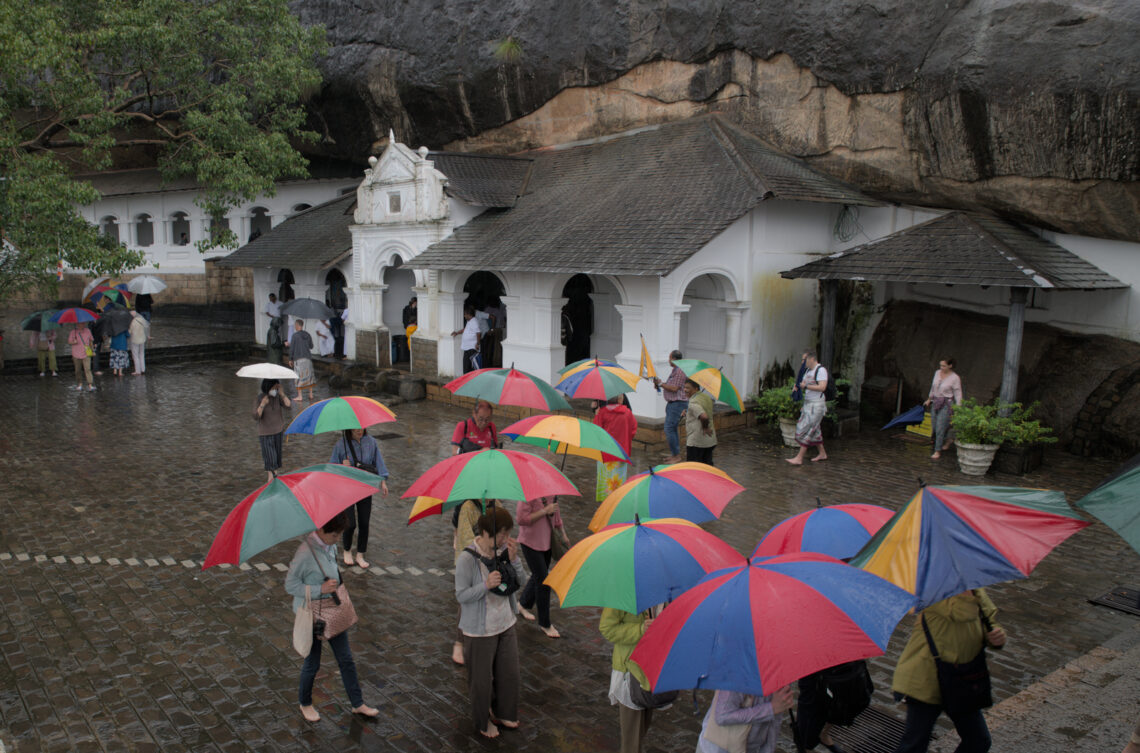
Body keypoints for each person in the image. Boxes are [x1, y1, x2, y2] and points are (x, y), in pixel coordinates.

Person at [284, 512, 380, 723]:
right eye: (335, 535)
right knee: (313, 663)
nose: (338, 539)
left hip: (332, 610)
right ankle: (305, 703)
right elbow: (290, 585)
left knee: (346, 659)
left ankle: (358, 703)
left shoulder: (329, 545)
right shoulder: (304, 554)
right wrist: (320, 588)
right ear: (321, 530)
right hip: (312, 614)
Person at [891, 589, 1006, 753]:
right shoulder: (932, 593)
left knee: (978, 740)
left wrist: (996, 636)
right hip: (924, 681)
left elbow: (989, 620)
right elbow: (962, 612)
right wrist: (971, 595)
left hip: (961, 681)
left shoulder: (975, 590)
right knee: (914, 744)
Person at [455, 506, 525, 739]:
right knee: (481, 681)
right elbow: (461, 595)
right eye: (501, 534)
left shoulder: (503, 550)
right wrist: (485, 586)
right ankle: (483, 720)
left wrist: (514, 560)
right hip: (479, 630)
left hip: (505, 622)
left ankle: (505, 712)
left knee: (509, 674)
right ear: (485, 532)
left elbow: (520, 581)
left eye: (507, 533)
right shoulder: (467, 558)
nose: (505, 539)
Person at [330, 428, 389, 569]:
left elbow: (378, 463)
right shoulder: (340, 445)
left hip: (365, 487)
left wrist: (383, 481)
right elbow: (331, 468)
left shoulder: (371, 442)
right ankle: (347, 550)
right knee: (349, 523)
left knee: (364, 522)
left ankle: (360, 553)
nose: (359, 430)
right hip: (347, 489)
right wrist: (341, 466)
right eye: (356, 428)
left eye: (362, 427)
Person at [600, 607, 655, 753]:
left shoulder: (665, 594)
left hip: (652, 670)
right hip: (630, 671)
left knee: (643, 727)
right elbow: (608, 628)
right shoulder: (622, 595)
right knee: (632, 739)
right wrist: (641, 629)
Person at [515, 497, 570, 638]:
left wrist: (563, 534)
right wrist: (545, 510)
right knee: (544, 581)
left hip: (547, 541)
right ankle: (545, 623)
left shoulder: (552, 489)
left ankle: (522, 604)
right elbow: (521, 519)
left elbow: (556, 516)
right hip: (530, 543)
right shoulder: (528, 495)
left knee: (539, 575)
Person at [697, 686, 795, 753]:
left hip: (749, 747)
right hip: (718, 748)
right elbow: (722, 716)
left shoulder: (781, 674)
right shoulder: (737, 670)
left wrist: (768, 750)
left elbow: (776, 719)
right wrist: (770, 709)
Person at [593, 395, 638, 502]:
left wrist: (596, 415)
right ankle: (616, 500)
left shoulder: (602, 412)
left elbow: (596, 430)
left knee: (605, 476)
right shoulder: (627, 413)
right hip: (621, 452)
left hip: (605, 452)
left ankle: (605, 499)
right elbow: (633, 430)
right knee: (619, 476)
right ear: (619, 400)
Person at [787, 350, 828, 465]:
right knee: (815, 429)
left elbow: (822, 387)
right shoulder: (807, 371)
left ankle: (799, 458)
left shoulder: (821, 371)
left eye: (804, 359)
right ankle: (822, 453)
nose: (802, 362)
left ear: (811, 359)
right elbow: (803, 386)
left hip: (817, 405)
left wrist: (806, 386)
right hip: (808, 404)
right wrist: (798, 388)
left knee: (808, 429)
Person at [652, 350, 688, 464]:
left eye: (669, 358)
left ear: (674, 359)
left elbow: (674, 388)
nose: (668, 360)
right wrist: (659, 383)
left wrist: (661, 384)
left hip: (677, 404)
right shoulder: (675, 370)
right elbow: (671, 386)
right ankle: (675, 454)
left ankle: (676, 456)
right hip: (673, 403)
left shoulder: (679, 371)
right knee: (672, 429)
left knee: (669, 429)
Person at [924, 358, 963, 460]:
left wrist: (958, 407)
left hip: (946, 403)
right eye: (940, 365)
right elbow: (933, 387)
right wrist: (929, 399)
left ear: (950, 366)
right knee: (935, 426)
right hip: (936, 401)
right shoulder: (937, 373)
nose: (941, 368)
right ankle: (948, 439)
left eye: (944, 366)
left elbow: (958, 393)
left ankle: (937, 450)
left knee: (940, 426)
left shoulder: (955, 378)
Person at [254, 378, 291, 484]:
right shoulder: (260, 398)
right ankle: (271, 482)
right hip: (266, 434)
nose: (275, 390)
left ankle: (274, 481)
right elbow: (256, 416)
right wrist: (262, 404)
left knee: (277, 461)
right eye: (275, 388)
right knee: (271, 463)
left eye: (277, 388)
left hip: (278, 432)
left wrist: (282, 394)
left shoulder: (277, 397)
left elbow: (288, 406)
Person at [684, 378, 717, 465]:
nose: (685, 390)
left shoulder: (693, 401)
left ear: (696, 389)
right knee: (707, 467)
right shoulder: (705, 397)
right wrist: (688, 413)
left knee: (694, 468)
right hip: (709, 440)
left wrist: (705, 428)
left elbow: (704, 416)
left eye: (688, 388)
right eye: (684, 387)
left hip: (697, 441)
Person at [288, 319, 315, 401]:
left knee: (298, 376)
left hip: (298, 359)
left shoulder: (295, 336)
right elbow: (311, 346)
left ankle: (300, 396)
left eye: (295, 325)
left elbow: (292, 348)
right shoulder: (307, 335)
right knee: (309, 376)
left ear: (297, 325)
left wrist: (290, 359)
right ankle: (311, 394)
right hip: (307, 358)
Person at [451, 305, 482, 373]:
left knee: (469, 368)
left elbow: (478, 333)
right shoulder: (470, 321)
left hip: (472, 348)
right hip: (467, 348)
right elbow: (465, 329)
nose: (464, 316)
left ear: (468, 314)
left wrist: (477, 344)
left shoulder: (474, 322)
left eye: (465, 314)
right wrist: (457, 333)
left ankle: (470, 381)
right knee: (466, 367)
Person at [68, 322, 96, 392]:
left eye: (83, 323)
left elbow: (91, 341)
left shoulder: (88, 331)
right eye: (81, 323)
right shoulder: (73, 332)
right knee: (78, 370)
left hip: (86, 353)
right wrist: (73, 342)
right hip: (76, 353)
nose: (83, 324)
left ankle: (90, 384)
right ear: (77, 324)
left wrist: (92, 350)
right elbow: (69, 342)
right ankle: (79, 384)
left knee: (88, 369)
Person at [128, 311, 149, 376]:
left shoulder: (132, 322)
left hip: (135, 340)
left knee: (135, 355)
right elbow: (147, 327)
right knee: (142, 354)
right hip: (142, 339)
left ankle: (137, 370)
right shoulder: (142, 320)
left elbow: (130, 332)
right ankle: (143, 369)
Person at [90, 310, 110, 376]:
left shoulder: (93, 322)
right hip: (95, 340)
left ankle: (95, 369)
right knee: (96, 355)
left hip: (96, 340)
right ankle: (95, 369)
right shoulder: (98, 321)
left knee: (96, 354)